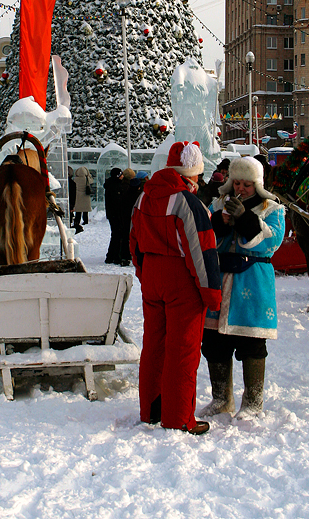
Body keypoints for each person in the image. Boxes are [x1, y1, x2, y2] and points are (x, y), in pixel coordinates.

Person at [130, 141, 221, 435]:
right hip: (181, 279)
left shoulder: (144, 196)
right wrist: (211, 292)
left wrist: (145, 274)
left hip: (153, 277)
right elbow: (201, 249)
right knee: (183, 350)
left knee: (154, 346)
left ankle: (152, 410)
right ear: (189, 173)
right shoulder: (186, 202)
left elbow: (133, 242)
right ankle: (179, 416)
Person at [201, 155, 285, 418]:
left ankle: (253, 402)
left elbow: (271, 242)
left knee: (252, 344)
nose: (240, 189)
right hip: (220, 278)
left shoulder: (273, 209)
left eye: (247, 185)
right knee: (214, 343)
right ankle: (220, 399)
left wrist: (246, 219)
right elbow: (205, 238)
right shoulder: (217, 205)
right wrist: (220, 223)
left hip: (253, 281)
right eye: (236, 183)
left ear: (257, 185)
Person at [104, 167, 125, 264]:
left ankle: (111, 256)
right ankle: (114, 256)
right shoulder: (116, 186)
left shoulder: (110, 185)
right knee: (117, 234)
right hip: (116, 214)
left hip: (112, 214)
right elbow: (118, 202)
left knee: (115, 234)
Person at [72, 166, 93, 233]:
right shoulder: (87, 178)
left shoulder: (76, 179)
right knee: (85, 210)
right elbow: (91, 181)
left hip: (78, 196)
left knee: (78, 210)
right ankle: (85, 221)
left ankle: (77, 221)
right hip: (85, 196)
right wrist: (88, 175)